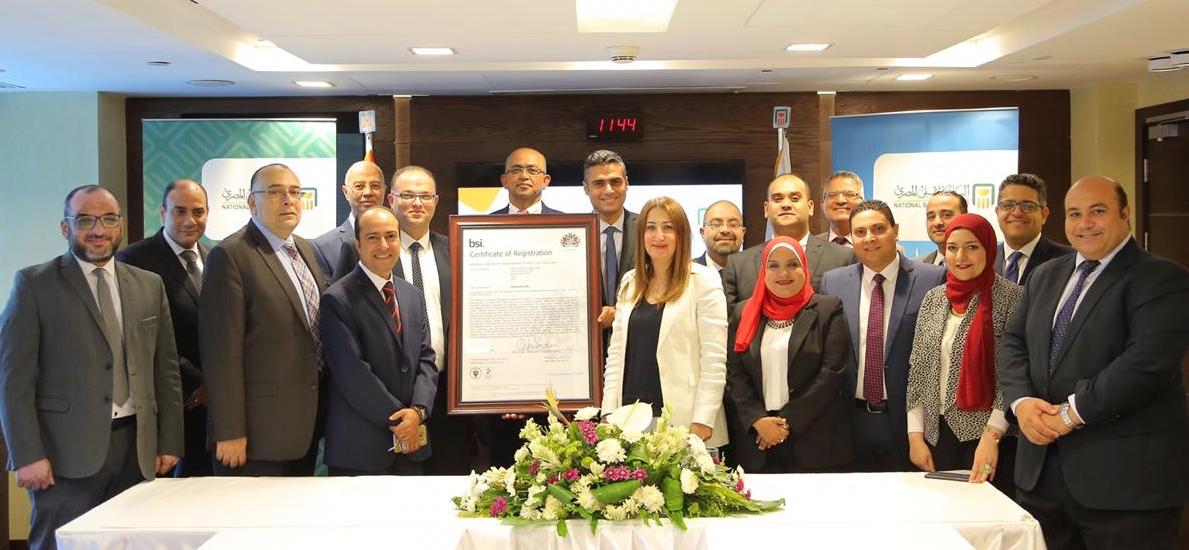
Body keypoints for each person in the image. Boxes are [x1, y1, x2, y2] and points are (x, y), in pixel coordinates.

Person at [1000, 176, 1188, 549]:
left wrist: (1069, 414)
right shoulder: (1045, 275)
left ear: (1125, 213)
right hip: (1041, 479)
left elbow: (1144, 365)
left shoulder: (1164, 279)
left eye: (1097, 211)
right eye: (1074, 214)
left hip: (1126, 488)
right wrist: (1021, 403)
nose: (1084, 223)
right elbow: (1013, 344)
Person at [0, 185, 183, 550]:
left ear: (120, 226)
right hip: (64, 455)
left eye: (108, 219)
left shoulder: (149, 285)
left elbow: (166, 372)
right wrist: (27, 455)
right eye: (85, 220)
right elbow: (12, 382)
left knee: (130, 543)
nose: (98, 230)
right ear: (65, 227)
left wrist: (170, 441)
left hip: (136, 450)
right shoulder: (34, 285)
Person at [201, 163, 327, 476]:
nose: (288, 200)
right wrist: (229, 430)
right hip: (256, 435)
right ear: (251, 202)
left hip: (305, 425)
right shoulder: (231, 255)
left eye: (294, 192)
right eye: (274, 192)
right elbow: (221, 354)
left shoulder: (307, 250)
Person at [819, 200, 945, 472]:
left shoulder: (933, 279)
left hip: (909, 424)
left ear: (895, 230)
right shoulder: (833, 282)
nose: (869, 238)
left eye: (878, 229)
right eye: (860, 232)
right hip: (850, 421)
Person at [905, 213, 1022, 495]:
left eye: (972, 247)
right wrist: (915, 436)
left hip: (990, 438)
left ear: (988, 249)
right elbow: (918, 370)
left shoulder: (1012, 298)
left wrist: (992, 435)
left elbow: (1014, 375)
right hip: (937, 435)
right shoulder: (934, 298)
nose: (960, 257)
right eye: (952, 247)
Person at [319, 207, 438, 476]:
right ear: (357, 243)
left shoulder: (411, 294)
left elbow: (426, 357)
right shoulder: (337, 299)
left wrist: (418, 412)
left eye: (391, 236)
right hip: (361, 448)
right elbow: (352, 374)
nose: (383, 245)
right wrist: (401, 420)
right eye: (373, 237)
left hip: (410, 444)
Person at [603, 197, 729, 448]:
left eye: (668, 227)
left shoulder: (703, 280)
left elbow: (714, 359)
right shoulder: (630, 282)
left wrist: (703, 420)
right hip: (629, 419)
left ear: (681, 234)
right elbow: (615, 355)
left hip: (685, 421)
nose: (658, 236)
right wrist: (608, 413)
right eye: (651, 227)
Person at [726, 237, 853, 472]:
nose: (783, 273)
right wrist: (758, 420)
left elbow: (831, 373)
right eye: (773, 265)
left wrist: (786, 423)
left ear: (804, 267)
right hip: (757, 440)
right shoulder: (744, 312)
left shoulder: (827, 309)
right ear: (764, 271)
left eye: (792, 264)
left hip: (815, 440)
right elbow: (735, 372)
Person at [116, 179, 212, 476]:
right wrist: (196, 382)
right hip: (169, 403)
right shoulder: (134, 259)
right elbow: (140, 337)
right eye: (179, 211)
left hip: (214, 407)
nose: (189, 220)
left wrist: (216, 384)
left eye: (198, 212)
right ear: (162, 212)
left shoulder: (216, 257)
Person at [388, 165, 477, 475]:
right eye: (408, 195)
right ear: (391, 200)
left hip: (448, 391)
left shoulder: (456, 249)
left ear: (436, 202)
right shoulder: (378, 253)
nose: (417, 203)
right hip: (398, 393)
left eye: (425, 196)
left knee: (451, 479)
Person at [722, 174, 855, 315]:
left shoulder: (843, 258)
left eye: (795, 198)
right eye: (778, 199)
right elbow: (731, 323)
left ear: (810, 207)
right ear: (766, 209)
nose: (786, 204)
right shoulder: (738, 265)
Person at [312, 160, 386, 282]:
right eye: (359, 186)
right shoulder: (322, 247)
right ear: (346, 192)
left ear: (384, 190)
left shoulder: (397, 242)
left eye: (375, 186)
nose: (368, 192)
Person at [992, 174, 1073, 285]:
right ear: (997, 212)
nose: (1017, 213)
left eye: (1028, 206)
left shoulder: (1069, 260)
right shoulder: (985, 259)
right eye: (1008, 205)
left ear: (1044, 215)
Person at [490, 147, 563, 214]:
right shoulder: (488, 222)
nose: (524, 176)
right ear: (504, 181)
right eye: (516, 170)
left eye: (532, 170)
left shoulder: (563, 221)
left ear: (545, 181)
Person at [693, 200, 745, 273]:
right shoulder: (686, 273)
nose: (725, 230)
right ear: (702, 233)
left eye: (733, 224)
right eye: (716, 224)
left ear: (743, 233)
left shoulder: (756, 272)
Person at [917, 191, 967, 266]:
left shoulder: (982, 264)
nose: (937, 223)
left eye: (946, 215)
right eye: (931, 217)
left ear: (965, 218)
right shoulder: (917, 266)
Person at [816, 171, 864, 247]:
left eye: (850, 194)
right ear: (822, 204)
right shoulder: (808, 247)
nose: (840, 200)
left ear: (862, 203)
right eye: (832, 195)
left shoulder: (876, 245)